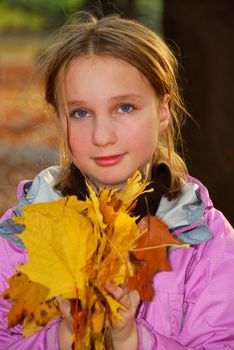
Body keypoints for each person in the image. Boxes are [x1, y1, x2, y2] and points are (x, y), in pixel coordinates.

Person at [0, 12, 234, 350]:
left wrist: (132, 339)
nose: (102, 135)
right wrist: (61, 337)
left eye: (124, 107)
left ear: (163, 110)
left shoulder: (205, 242)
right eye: (81, 113)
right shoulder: (20, 236)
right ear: (60, 119)